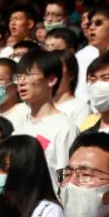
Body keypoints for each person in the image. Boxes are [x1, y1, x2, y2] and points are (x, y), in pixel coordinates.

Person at [15, 51, 79, 180]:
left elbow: (66, 179)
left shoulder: (65, 128)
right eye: (19, 76)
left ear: (51, 80)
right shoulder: (20, 126)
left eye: (29, 75)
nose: (21, 82)